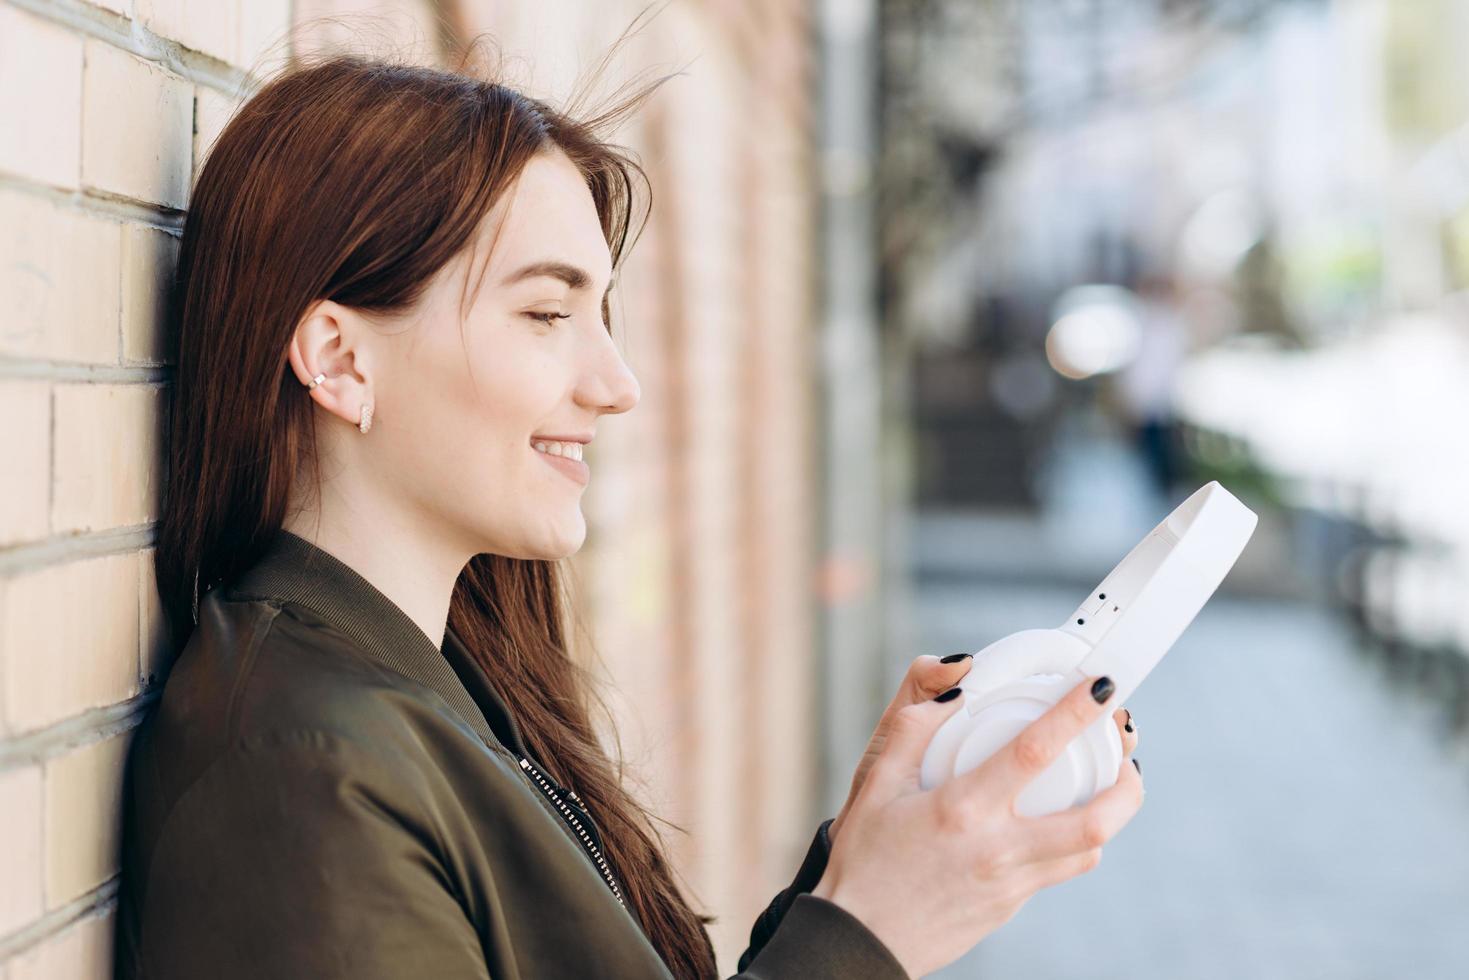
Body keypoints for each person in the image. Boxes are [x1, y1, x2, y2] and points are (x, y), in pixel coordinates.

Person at [114, 40, 1144, 980]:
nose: (615, 383)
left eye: (599, 315)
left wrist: (863, 871)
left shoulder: (447, 688)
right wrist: (868, 934)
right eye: (547, 313)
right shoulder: (302, 776)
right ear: (340, 358)